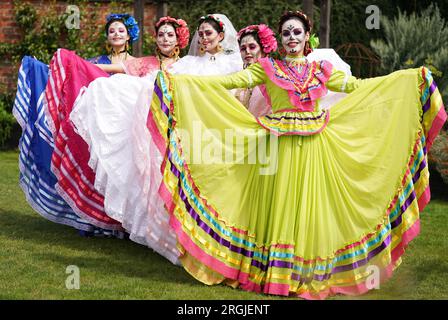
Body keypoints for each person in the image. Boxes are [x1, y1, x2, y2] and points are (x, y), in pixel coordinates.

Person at [147, 10, 447, 299]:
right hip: (276, 146)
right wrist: (179, 83)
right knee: (278, 206)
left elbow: (356, 86)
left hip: (315, 147)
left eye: (297, 32)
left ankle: (303, 274)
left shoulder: (320, 70)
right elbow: (227, 82)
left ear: (307, 38)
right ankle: (274, 274)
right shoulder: (266, 68)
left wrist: (406, 80)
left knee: (308, 206)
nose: (292, 37)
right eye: (287, 32)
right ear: (280, 38)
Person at [68, 13, 244, 264]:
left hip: (218, 131)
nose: (204, 38)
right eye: (201, 33)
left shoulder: (232, 62)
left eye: (209, 33)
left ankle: (219, 240)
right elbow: (156, 84)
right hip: (186, 131)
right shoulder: (189, 64)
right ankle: (181, 237)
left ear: (221, 35)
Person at [12, 13, 140, 237]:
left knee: (117, 173)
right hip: (96, 127)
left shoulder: (138, 64)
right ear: (107, 38)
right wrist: (41, 69)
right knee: (93, 170)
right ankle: (95, 221)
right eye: (112, 31)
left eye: (121, 30)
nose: (116, 34)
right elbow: (71, 76)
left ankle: (121, 223)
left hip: (123, 128)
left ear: (129, 35)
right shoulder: (96, 62)